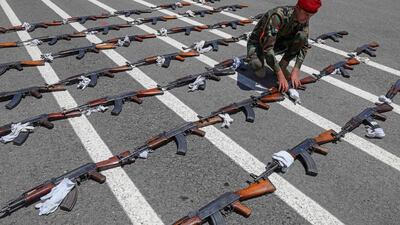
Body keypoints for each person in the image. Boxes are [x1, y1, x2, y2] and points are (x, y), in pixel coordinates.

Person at [247, 0, 321, 92]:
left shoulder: (303, 18)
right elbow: (267, 48)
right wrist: (280, 75)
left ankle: (282, 65)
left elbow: (304, 45)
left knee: (301, 36)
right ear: (298, 8)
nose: (307, 18)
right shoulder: (278, 15)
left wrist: (296, 69)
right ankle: (255, 58)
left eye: (310, 16)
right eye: (306, 14)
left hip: (278, 43)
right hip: (259, 44)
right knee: (259, 70)